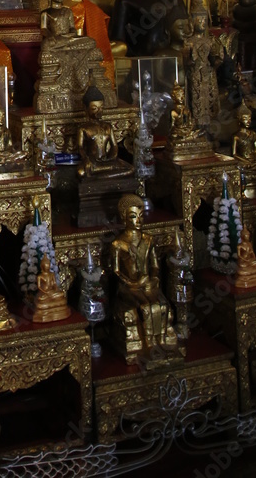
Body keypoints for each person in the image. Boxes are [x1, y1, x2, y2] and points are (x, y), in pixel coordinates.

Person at [110, 194, 180, 364]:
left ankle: (162, 341)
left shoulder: (148, 240)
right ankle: (150, 344)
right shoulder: (118, 244)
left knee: (162, 305)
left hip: (147, 283)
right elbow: (116, 271)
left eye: (140, 216)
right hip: (129, 286)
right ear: (124, 218)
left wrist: (155, 278)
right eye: (133, 217)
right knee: (146, 307)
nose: (138, 221)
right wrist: (133, 283)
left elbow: (155, 265)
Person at [76, 85, 132, 179]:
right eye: (94, 108)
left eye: (101, 107)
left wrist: (112, 157)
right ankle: (106, 177)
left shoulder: (108, 126)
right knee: (81, 172)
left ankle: (97, 178)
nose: (99, 111)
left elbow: (114, 146)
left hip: (108, 161)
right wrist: (86, 159)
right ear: (86, 109)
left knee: (131, 169)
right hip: (93, 163)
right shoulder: (83, 129)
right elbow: (80, 147)